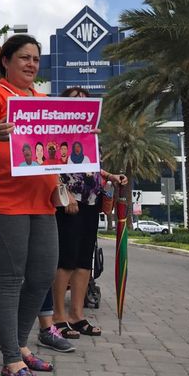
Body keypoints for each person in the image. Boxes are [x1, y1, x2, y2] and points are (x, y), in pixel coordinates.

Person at [0, 34, 58, 376]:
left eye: (36, 59)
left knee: (41, 275)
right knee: (9, 279)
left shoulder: (43, 99)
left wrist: (83, 136)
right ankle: (10, 358)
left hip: (44, 199)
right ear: (5, 61)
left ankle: (22, 343)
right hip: (5, 199)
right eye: (24, 57)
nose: (32, 64)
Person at [52, 86, 126, 338]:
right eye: (74, 100)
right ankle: (58, 315)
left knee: (85, 260)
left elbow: (93, 167)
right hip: (68, 203)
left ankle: (77, 314)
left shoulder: (92, 136)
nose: (80, 104)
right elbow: (49, 168)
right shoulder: (56, 133)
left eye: (84, 101)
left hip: (92, 201)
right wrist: (65, 193)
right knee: (66, 259)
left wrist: (111, 176)